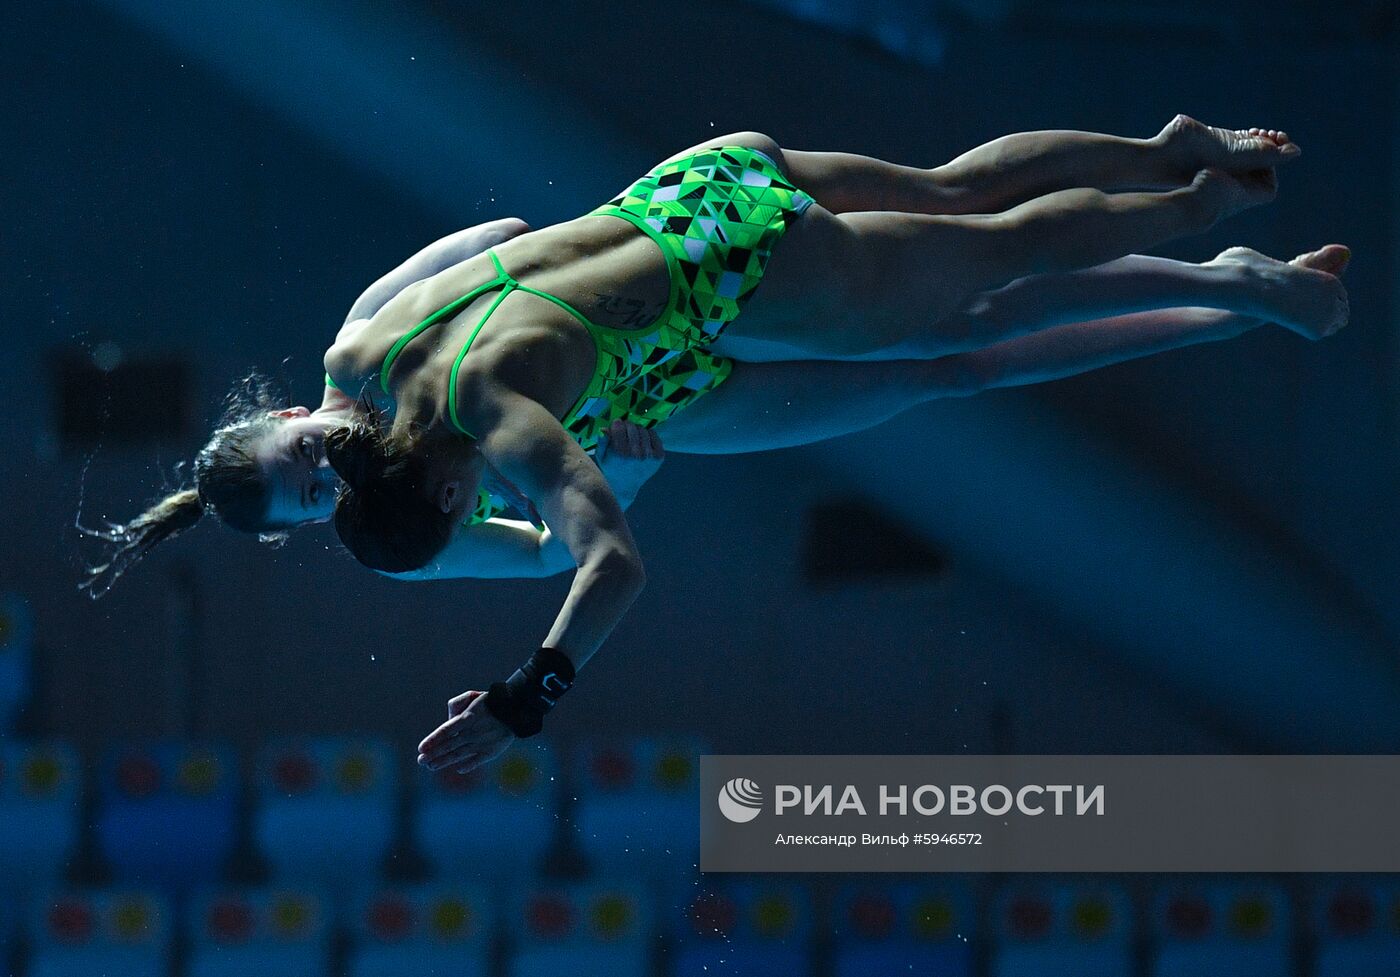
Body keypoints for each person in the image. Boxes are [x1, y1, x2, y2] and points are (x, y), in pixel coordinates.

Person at [88, 118, 1350, 774]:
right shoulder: (359, 353)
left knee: (984, 270)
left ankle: (1203, 223)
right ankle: (1191, 192)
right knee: (952, 267)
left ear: (293, 417)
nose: (327, 469)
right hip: (682, 212)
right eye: (315, 492)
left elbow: (597, 562)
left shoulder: (488, 427)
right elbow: (502, 228)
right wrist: (589, 393)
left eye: (307, 460)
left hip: (729, 276)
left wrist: (528, 694)